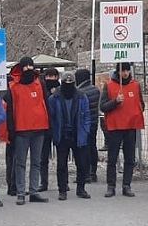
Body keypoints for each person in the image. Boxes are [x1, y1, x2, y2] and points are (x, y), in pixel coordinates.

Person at [4, 57, 51, 205]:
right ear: (21, 67)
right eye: (26, 66)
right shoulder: (13, 86)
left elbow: (46, 104)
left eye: (31, 65)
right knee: (20, 163)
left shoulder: (40, 83)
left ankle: (34, 191)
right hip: (21, 130)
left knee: (36, 162)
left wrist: (49, 126)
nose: (29, 68)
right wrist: (11, 131)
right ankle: (20, 192)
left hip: (39, 129)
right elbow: (9, 110)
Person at [99, 62, 145, 197]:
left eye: (127, 70)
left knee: (130, 158)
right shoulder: (109, 85)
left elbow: (141, 104)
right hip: (115, 127)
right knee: (112, 158)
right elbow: (103, 106)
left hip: (130, 127)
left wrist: (136, 113)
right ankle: (111, 186)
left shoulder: (135, 85)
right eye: (122, 70)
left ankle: (126, 185)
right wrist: (115, 102)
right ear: (117, 72)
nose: (125, 73)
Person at [47, 71, 92, 200]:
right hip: (62, 135)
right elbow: (51, 117)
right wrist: (54, 132)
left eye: (70, 83)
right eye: (66, 83)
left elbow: (87, 115)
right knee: (61, 165)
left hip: (78, 134)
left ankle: (81, 189)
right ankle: (62, 190)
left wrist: (86, 130)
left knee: (81, 164)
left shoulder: (82, 97)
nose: (68, 86)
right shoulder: (54, 98)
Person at [75, 68, 101, 183]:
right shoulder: (95, 90)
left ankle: (86, 173)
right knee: (92, 146)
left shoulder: (80, 92)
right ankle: (93, 172)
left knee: (84, 149)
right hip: (94, 122)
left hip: (83, 124)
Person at [39, 67, 60, 191]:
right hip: (45, 126)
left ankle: (63, 182)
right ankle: (44, 182)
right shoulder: (42, 90)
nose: (50, 78)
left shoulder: (62, 89)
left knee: (61, 156)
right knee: (43, 157)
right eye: (48, 76)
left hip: (58, 126)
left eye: (52, 76)